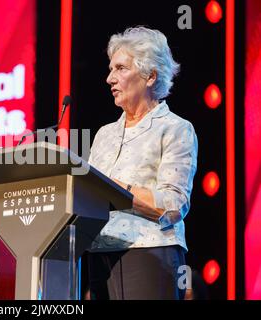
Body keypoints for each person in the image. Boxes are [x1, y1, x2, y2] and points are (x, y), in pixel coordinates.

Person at [87, 26, 198, 300]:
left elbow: (172, 205)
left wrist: (113, 188)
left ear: (150, 76)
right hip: (99, 256)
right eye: (111, 69)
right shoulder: (104, 135)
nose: (109, 78)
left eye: (121, 68)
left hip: (150, 254)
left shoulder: (175, 128)